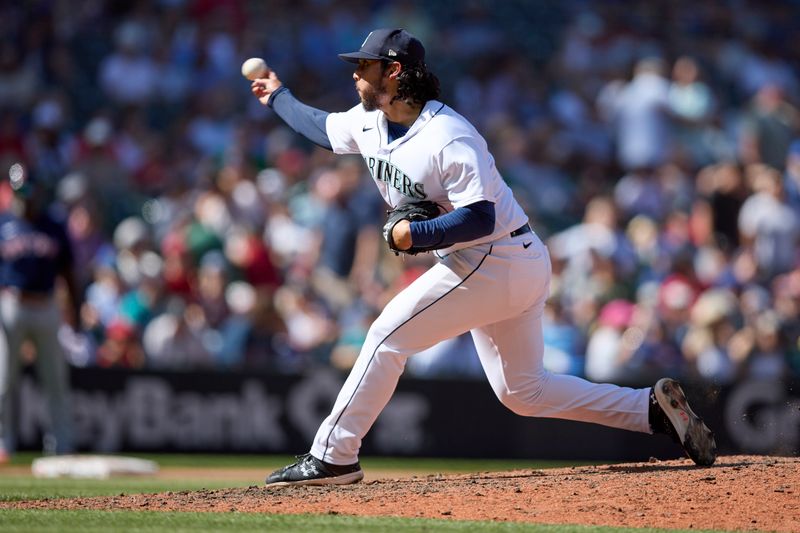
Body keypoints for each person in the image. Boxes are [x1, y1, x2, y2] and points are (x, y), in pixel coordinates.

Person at [251, 28, 716, 486]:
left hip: (492, 255)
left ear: (393, 71)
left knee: (385, 336)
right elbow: (319, 126)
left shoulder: (448, 135)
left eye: (363, 66)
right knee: (523, 390)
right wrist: (277, 95)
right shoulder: (369, 120)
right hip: (507, 260)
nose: (355, 75)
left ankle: (333, 456)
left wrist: (418, 234)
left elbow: (481, 217)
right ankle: (649, 410)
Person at [0, 163, 81, 463]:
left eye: (29, 191)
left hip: (46, 305)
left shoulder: (53, 225)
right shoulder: (4, 223)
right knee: (4, 379)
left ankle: (61, 445)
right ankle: (3, 443)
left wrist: (77, 312)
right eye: (19, 191)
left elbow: (70, 273)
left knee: (55, 380)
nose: (25, 197)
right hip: (12, 304)